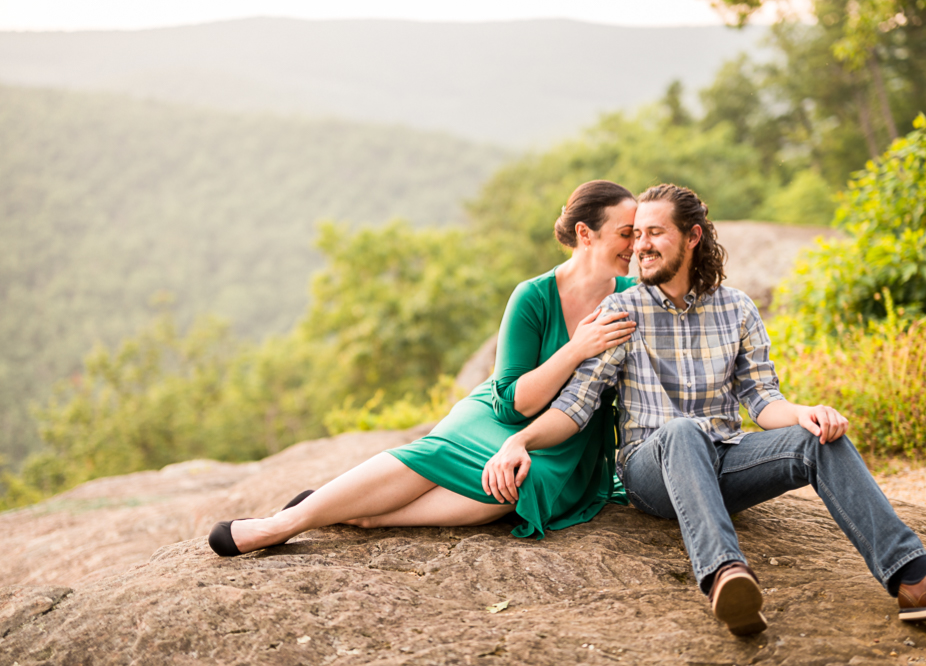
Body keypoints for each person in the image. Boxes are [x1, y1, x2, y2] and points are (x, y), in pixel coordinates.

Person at [482, 183, 926, 636]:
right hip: (651, 468)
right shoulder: (621, 310)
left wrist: (805, 413)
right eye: (635, 233)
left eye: (654, 233)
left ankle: (916, 579)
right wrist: (519, 440)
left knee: (820, 439)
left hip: (725, 459)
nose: (640, 244)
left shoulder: (737, 308)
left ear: (693, 237)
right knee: (682, 430)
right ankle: (727, 577)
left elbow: (762, 400)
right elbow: (577, 405)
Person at [208, 180, 640, 556]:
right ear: (585, 234)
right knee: (440, 454)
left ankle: (370, 517)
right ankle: (284, 524)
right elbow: (513, 406)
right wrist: (575, 349)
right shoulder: (533, 297)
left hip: (565, 435)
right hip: (497, 416)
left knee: (520, 485)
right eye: (626, 233)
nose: (635, 246)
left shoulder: (630, 299)